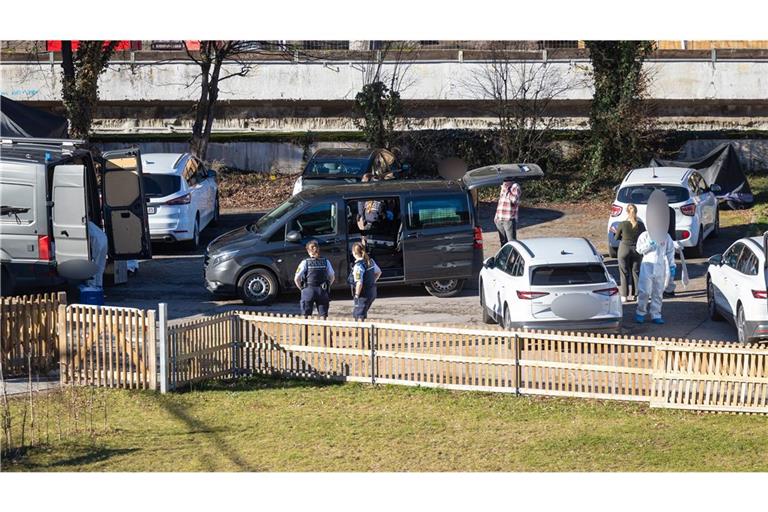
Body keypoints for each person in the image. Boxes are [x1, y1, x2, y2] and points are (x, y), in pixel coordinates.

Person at [635, 229, 675, 324]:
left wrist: (672, 265)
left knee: (658, 292)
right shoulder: (644, 235)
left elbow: (670, 251)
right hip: (647, 266)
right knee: (644, 291)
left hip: (660, 266)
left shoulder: (666, 236)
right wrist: (650, 243)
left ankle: (656, 314)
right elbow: (639, 249)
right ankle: (640, 312)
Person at [611, 203, 645, 303]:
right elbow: (644, 236)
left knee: (624, 273)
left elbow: (616, 238)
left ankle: (624, 296)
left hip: (624, 249)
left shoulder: (622, 224)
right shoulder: (641, 225)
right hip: (637, 250)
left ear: (627, 212)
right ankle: (637, 295)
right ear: (636, 212)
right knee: (636, 272)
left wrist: (615, 232)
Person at [294, 240, 335, 319]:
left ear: (308, 250)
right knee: (323, 316)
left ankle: (305, 331)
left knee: (305, 316)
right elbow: (332, 276)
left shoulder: (305, 262)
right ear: (318, 249)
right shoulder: (326, 261)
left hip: (308, 290)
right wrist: (328, 285)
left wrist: (302, 289)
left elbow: (296, 278)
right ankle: (325, 331)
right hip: (322, 291)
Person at [348, 242, 382, 321]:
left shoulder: (358, 266)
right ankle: (362, 331)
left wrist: (356, 295)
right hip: (372, 292)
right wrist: (371, 281)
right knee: (363, 312)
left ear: (354, 252)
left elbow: (359, 283)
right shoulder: (370, 261)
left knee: (358, 315)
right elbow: (379, 272)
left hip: (364, 294)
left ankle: (361, 332)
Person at [494, 176, 521, 245]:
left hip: (508, 219)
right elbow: (500, 203)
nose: (503, 183)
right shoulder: (503, 187)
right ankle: (505, 256)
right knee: (503, 242)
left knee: (512, 242)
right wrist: (496, 216)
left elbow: (514, 200)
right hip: (499, 219)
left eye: (505, 181)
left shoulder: (515, 186)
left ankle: (514, 256)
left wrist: (506, 190)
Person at [663, 205, 678, 298]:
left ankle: (667, 289)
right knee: (670, 267)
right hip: (671, 240)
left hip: (662, 240)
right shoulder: (671, 210)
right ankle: (669, 289)